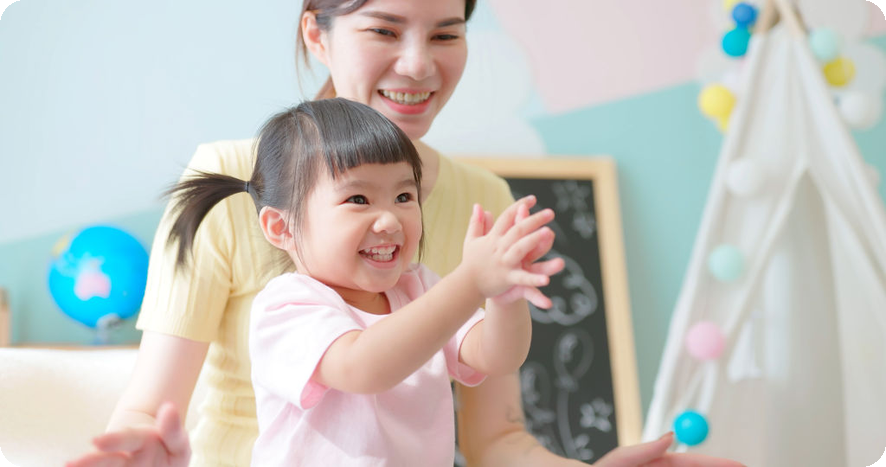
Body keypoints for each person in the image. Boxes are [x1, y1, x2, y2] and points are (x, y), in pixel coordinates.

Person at [67, 0, 746, 466]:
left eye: (446, 34)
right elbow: (357, 367)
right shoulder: (247, 208)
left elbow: (496, 424)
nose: (419, 65)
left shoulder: (465, 220)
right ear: (317, 34)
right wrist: (137, 447)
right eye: (385, 31)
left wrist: (504, 298)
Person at [169, 98, 562, 465]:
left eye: (404, 196)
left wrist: (504, 298)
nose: (390, 220)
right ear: (281, 227)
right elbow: (363, 367)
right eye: (358, 199)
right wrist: (471, 282)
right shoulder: (286, 307)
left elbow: (496, 357)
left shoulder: (419, 287)